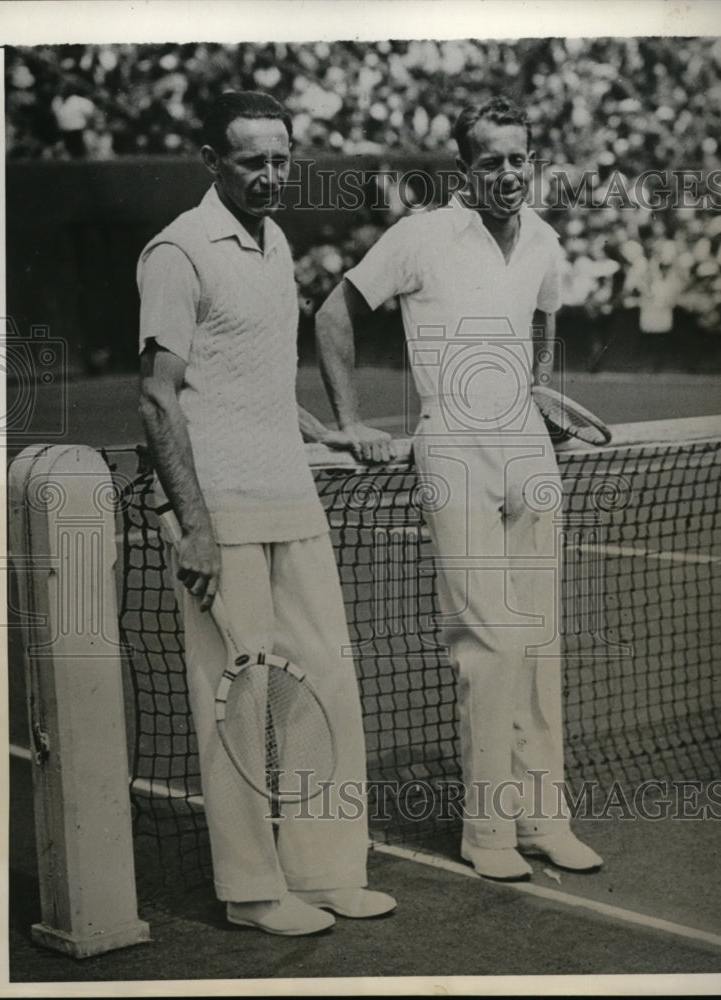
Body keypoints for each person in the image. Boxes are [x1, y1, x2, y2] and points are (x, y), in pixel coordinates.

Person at [315, 96, 603, 881]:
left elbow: (544, 320)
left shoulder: (543, 238)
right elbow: (332, 314)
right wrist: (346, 422)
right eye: (490, 163)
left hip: (526, 450)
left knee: (539, 640)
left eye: (518, 159)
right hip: (452, 446)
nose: (507, 175)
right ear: (462, 171)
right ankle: (487, 834)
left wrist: (539, 388)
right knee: (491, 645)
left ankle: (544, 820)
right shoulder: (420, 236)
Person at [137, 91, 396, 935]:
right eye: (251, 160)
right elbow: (156, 399)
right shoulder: (175, 251)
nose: (269, 174)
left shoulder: (276, 239)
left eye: (280, 158)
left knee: (325, 680)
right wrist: (197, 527)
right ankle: (251, 892)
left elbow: (254, 373)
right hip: (220, 510)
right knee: (237, 701)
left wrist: (326, 425)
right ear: (212, 162)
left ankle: (324, 873)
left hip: (293, 495)